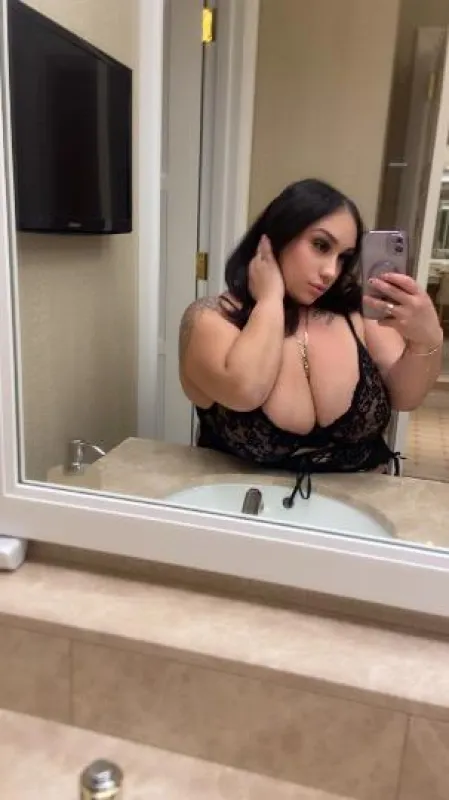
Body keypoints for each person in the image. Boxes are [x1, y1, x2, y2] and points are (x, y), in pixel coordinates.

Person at [179, 179, 442, 493]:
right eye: (320, 245)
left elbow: (406, 398)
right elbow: (246, 391)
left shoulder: (357, 315)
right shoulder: (211, 319)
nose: (331, 271)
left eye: (343, 257)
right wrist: (269, 300)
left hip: (361, 511)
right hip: (247, 512)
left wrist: (427, 339)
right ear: (278, 236)